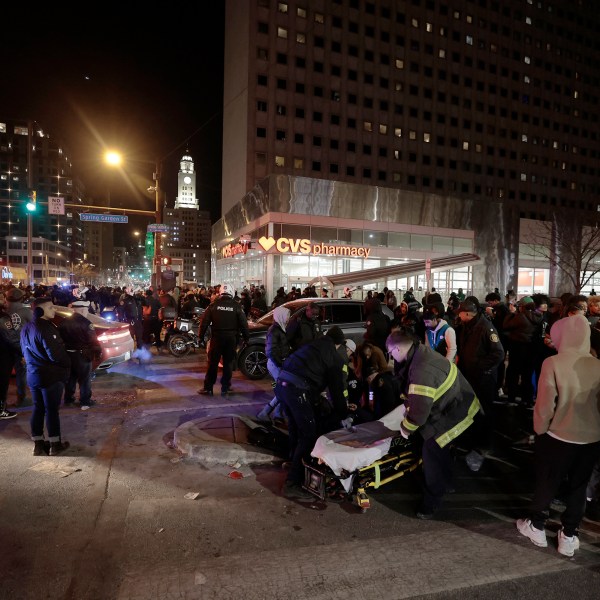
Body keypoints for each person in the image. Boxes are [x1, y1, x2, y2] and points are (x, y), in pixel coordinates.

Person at [516, 314, 600, 557]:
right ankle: (569, 535)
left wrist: (540, 430)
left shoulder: (553, 363)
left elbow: (544, 405)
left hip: (558, 437)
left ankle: (537, 526)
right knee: (579, 486)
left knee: (548, 482)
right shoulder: (598, 365)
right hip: (592, 439)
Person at [386, 330, 480, 519]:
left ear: (397, 349)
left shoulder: (422, 370)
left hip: (454, 415)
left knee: (432, 453)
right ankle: (446, 484)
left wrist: (405, 429)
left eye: (391, 353)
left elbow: (419, 415)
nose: (392, 357)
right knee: (441, 452)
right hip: (457, 404)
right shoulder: (420, 352)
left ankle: (431, 502)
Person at [275, 325, 350, 499]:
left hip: (281, 386)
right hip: (296, 391)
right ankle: (292, 482)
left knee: (295, 427)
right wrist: (343, 414)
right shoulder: (334, 357)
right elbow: (337, 391)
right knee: (309, 434)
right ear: (339, 344)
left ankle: (292, 461)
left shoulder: (310, 345)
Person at [454, 300, 505, 471]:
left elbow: (498, 353)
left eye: (460, 312)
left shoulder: (485, 327)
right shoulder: (467, 326)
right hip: (470, 376)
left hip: (483, 378)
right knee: (472, 409)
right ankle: (472, 440)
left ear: (468, 313)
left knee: (484, 411)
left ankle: (483, 444)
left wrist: (480, 367)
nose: (458, 315)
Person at [20, 297, 71, 456]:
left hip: (33, 375)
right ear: (40, 311)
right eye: (50, 308)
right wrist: (68, 363)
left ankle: (38, 444)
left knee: (38, 408)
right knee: (51, 410)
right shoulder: (46, 329)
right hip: (50, 377)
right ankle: (55, 444)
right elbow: (56, 355)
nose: (54, 310)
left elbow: (23, 351)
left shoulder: (26, 328)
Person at [198, 283, 249, 396]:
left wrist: (200, 337)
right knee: (228, 364)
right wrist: (247, 339)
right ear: (232, 292)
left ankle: (208, 388)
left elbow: (204, 322)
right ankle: (225, 388)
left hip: (217, 338)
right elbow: (244, 324)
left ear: (220, 292)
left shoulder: (213, 305)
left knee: (212, 363)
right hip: (231, 339)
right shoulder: (237, 306)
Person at [58, 300, 102, 409]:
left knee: (70, 378)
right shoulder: (86, 323)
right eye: (86, 310)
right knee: (84, 379)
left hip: (68, 354)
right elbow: (93, 340)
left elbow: (60, 340)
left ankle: (68, 399)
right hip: (82, 355)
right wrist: (98, 353)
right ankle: (85, 401)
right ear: (83, 310)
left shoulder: (63, 322)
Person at [256, 305, 292, 422]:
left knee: (281, 389)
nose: (288, 319)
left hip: (278, 364)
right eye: (287, 316)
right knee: (283, 390)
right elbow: (271, 351)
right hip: (275, 365)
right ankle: (265, 412)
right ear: (281, 316)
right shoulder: (274, 330)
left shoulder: (281, 328)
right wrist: (281, 363)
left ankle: (278, 414)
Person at [5, 286, 33, 405]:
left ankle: (3, 401)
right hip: (21, 348)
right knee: (21, 374)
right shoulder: (26, 312)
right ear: (22, 298)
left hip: (5, 348)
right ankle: (21, 398)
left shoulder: (4, 311)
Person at [0, 304, 20, 419]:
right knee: (2, 384)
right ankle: (1, 410)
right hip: (3, 357)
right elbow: (12, 338)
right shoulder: (3, 317)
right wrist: (23, 353)